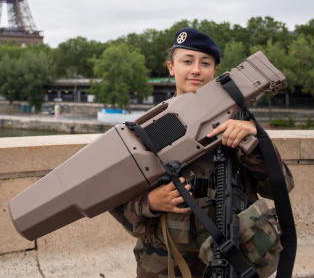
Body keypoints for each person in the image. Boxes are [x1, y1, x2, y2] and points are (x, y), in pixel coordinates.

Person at [109, 28, 294, 278]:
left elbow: (280, 186)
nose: (196, 69)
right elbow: (113, 200)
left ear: (214, 71)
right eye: (187, 61)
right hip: (162, 263)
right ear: (171, 67)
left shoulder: (236, 119)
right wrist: (150, 202)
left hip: (230, 257)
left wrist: (255, 138)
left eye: (205, 63)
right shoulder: (145, 130)